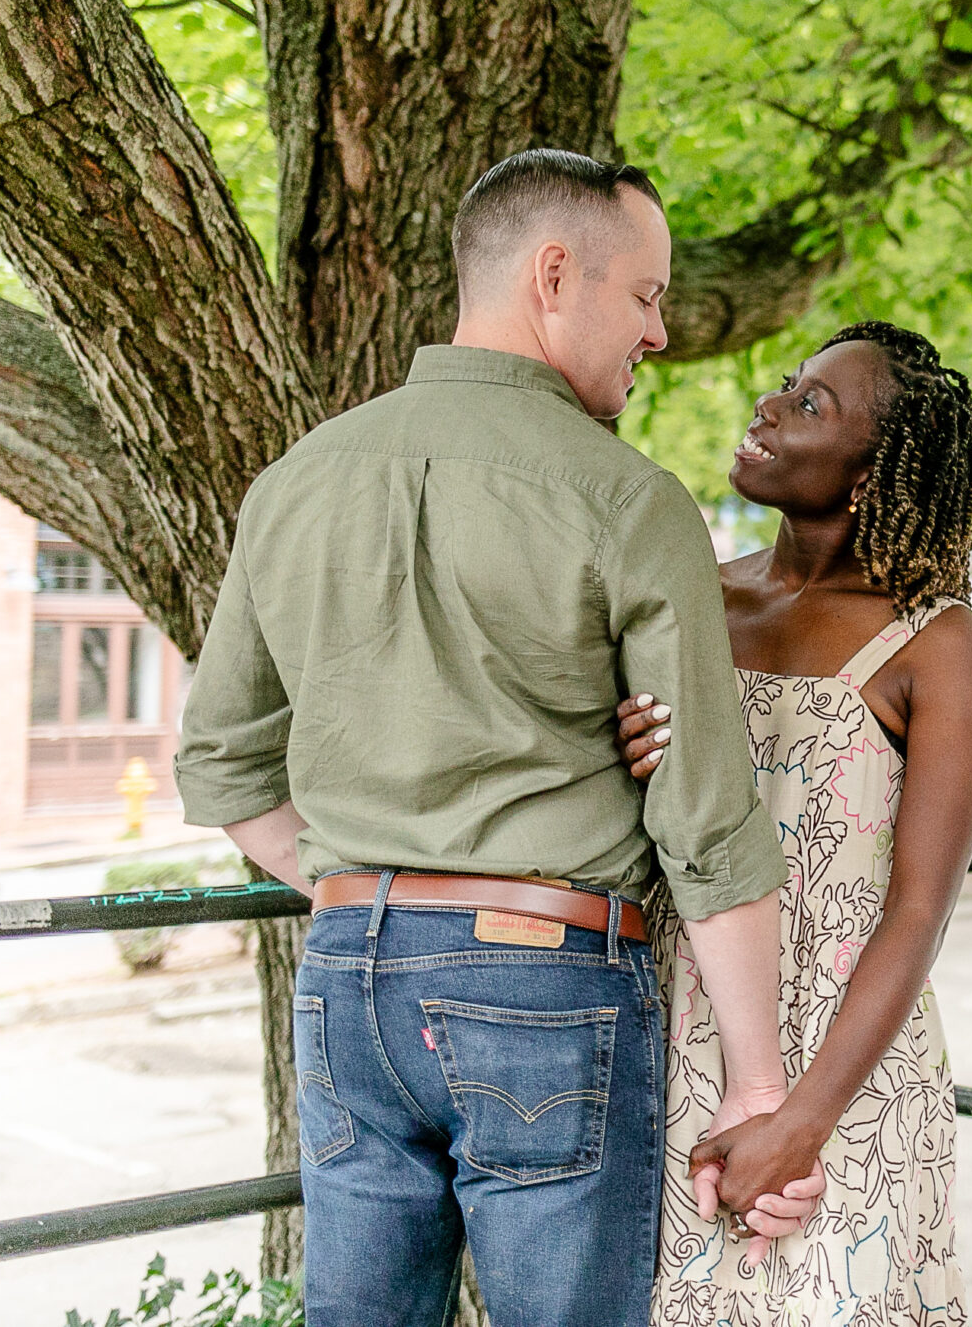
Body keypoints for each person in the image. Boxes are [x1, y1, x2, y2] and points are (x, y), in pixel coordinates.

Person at [175, 149, 814, 1327]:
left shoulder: (293, 483)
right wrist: (758, 1087)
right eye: (648, 295)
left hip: (344, 976)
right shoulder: (627, 500)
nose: (660, 332)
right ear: (555, 274)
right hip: (542, 979)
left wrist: (363, 882)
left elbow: (220, 765)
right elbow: (708, 821)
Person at [620, 322, 972, 1324]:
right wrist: (624, 751)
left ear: (874, 474)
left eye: (812, 405)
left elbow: (917, 911)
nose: (769, 406)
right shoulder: (700, 599)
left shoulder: (938, 641)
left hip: (850, 1072)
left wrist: (802, 1121)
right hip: (680, 1030)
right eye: (787, 385)